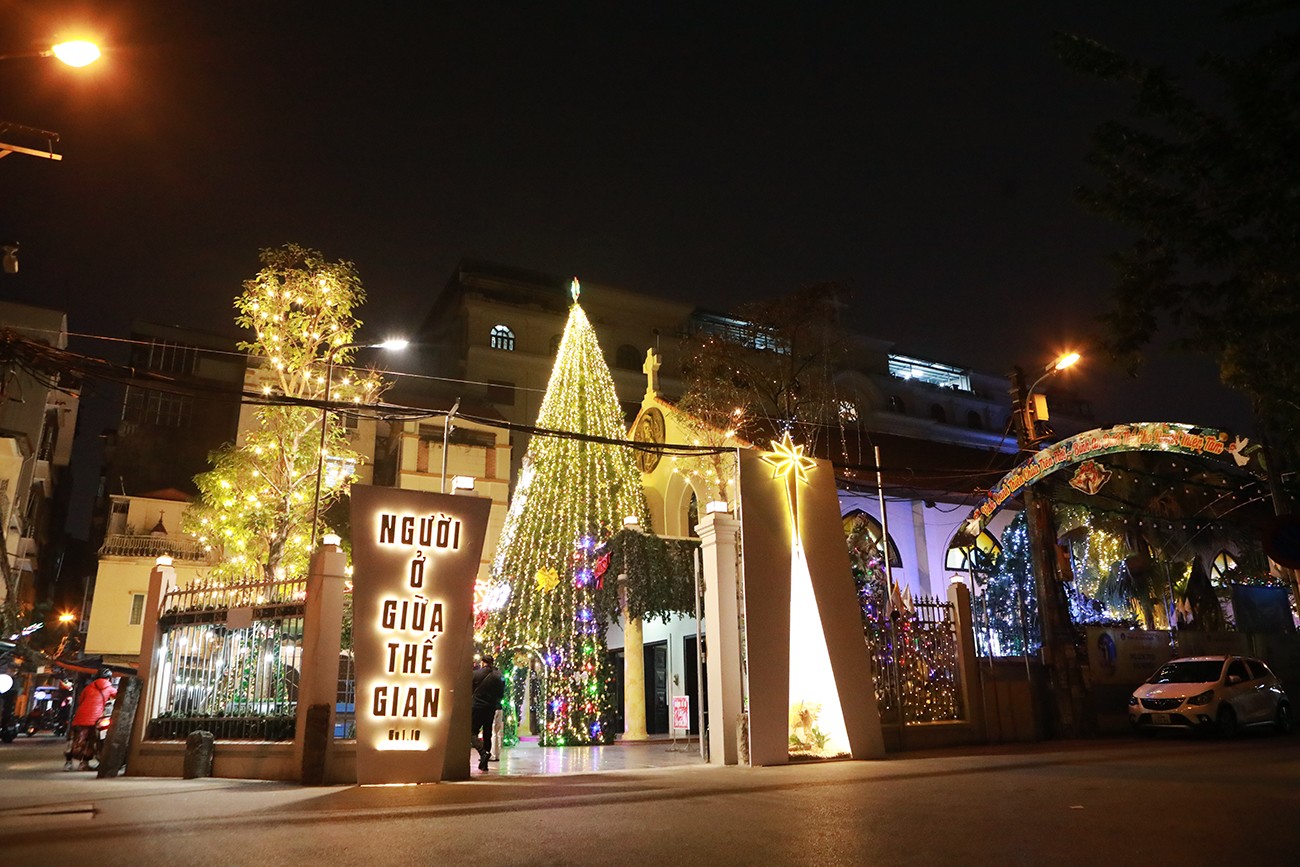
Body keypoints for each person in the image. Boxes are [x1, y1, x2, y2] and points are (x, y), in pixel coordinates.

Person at [65, 668, 116, 771]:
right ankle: (84, 764)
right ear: (109, 678)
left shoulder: (88, 687)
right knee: (90, 742)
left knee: (77, 740)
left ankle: (69, 763)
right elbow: (118, 697)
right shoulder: (110, 688)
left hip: (80, 717)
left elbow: (81, 701)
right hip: (95, 719)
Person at [471, 655, 505, 772]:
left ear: (482, 662)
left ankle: (483, 752)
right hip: (490, 708)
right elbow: (501, 694)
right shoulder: (498, 676)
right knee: (487, 734)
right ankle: (484, 764)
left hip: (477, 707)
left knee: (471, 732)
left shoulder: (475, 674)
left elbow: (470, 689)